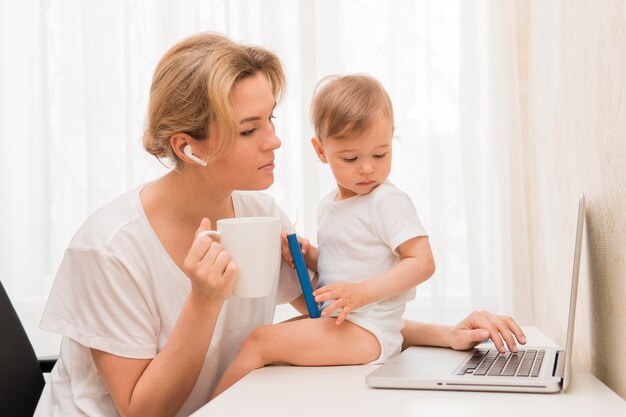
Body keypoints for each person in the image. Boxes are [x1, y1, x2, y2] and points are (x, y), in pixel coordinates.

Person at [35, 32, 526, 417]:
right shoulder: (108, 250)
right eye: (250, 129)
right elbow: (145, 412)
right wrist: (203, 301)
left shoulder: (258, 215)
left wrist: (448, 335)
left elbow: (336, 319)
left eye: (271, 119)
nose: (275, 141)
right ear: (189, 147)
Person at [210, 74, 525, 398]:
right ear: (321, 151)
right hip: (346, 323)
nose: (367, 169)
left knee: (260, 342)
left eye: (380, 154)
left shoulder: (386, 200)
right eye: (350, 158)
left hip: (368, 330)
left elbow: (423, 262)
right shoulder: (329, 205)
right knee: (267, 346)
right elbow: (347, 261)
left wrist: (360, 294)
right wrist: (309, 256)